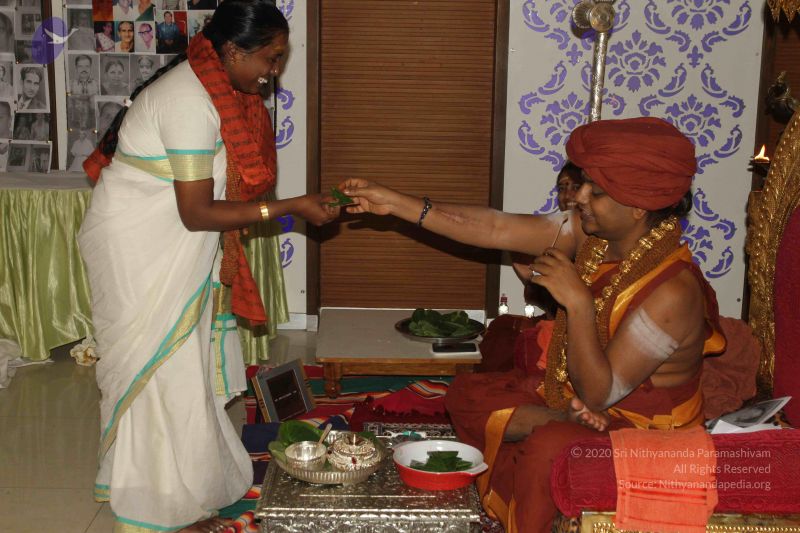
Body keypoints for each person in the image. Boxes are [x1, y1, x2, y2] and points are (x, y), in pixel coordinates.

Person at [339, 117, 727, 533]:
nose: (579, 197)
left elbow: (599, 394)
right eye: (583, 184)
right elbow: (495, 227)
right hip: (581, 397)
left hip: (641, 431)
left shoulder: (673, 292)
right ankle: (561, 417)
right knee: (468, 393)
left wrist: (577, 302)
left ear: (638, 206)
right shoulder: (596, 237)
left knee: (547, 447)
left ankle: (556, 433)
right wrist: (396, 204)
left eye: (596, 192)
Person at [77, 2, 339, 531]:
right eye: (270, 58)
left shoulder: (220, 90)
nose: (274, 71)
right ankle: (161, 508)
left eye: (280, 58)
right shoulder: (189, 101)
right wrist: (291, 207)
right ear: (233, 51)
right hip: (139, 246)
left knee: (184, 367)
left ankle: (191, 482)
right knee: (162, 372)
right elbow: (197, 212)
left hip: (172, 242)